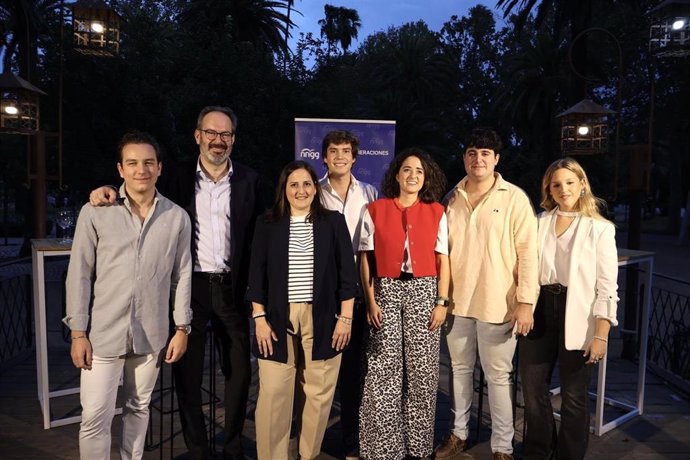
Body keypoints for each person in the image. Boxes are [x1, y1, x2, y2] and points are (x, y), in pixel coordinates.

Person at [89, 106, 263, 459]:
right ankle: (198, 450)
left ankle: (232, 448)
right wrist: (106, 188)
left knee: (240, 374)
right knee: (187, 376)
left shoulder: (251, 180)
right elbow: (138, 186)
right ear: (198, 135)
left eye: (225, 134)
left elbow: (263, 235)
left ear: (233, 139)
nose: (218, 140)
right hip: (187, 289)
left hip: (233, 289)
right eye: (211, 133)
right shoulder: (174, 177)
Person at [64, 131, 193, 460]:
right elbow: (79, 274)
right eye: (133, 163)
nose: (141, 170)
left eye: (149, 162)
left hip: (151, 333)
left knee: (139, 408)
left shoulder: (177, 217)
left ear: (159, 168)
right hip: (103, 334)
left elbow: (181, 275)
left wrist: (182, 328)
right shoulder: (95, 212)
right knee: (95, 418)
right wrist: (78, 332)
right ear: (120, 169)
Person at [436, 128, 539, 460]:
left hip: (500, 303)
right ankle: (459, 433)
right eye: (471, 152)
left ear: (496, 159)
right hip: (457, 302)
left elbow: (528, 254)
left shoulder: (515, 198)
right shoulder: (450, 198)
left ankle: (502, 446)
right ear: (464, 157)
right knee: (460, 371)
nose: (477, 159)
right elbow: (442, 253)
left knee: (498, 376)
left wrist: (525, 303)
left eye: (485, 153)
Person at [246, 160, 358, 460]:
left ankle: (308, 455)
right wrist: (259, 318)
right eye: (294, 184)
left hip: (323, 318)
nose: (301, 190)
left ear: (315, 188)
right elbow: (256, 276)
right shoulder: (267, 223)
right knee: (273, 396)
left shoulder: (333, 222)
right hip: (274, 319)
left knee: (319, 395)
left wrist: (345, 319)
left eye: (307, 183)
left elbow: (348, 275)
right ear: (284, 188)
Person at [520, 157, 619, 460]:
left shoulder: (600, 229)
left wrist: (601, 334)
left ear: (582, 185)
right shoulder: (538, 222)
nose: (563, 189)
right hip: (539, 310)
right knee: (533, 391)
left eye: (569, 183)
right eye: (556, 184)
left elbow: (607, 285)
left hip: (578, 313)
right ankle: (538, 451)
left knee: (574, 397)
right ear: (548, 189)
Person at [358, 148, 450, 459]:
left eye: (419, 172)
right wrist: (371, 301)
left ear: (426, 179)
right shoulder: (374, 210)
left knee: (422, 372)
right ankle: (385, 448)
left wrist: (442, 302)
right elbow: (365, 260)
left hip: (425, 291)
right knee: (384, 369)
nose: (413, 176)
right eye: (407, 170)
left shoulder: (437, 211)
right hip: (385, 289)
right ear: (396, 175)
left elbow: (444, 260)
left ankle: (419, 447)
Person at [318, 129, 378, 458]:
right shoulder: (313, 192)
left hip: (358, 289)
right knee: (320, 369)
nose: (340, 156)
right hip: (322, 291)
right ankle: (310, 436)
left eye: (345, 151)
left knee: (355, 371)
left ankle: (351, 442)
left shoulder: (370, 192)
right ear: (324, 157)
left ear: (355, 158)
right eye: (333, 151)